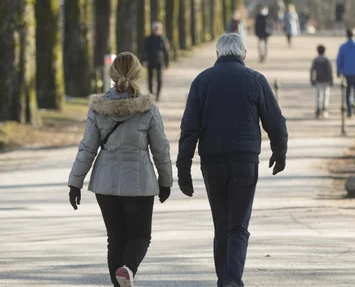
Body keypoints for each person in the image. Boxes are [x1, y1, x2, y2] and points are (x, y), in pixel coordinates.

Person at [177, 33, 288, 287]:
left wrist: (183, 168)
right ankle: (231, 281)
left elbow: (189, 128)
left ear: (217, 54)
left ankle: (224, 280)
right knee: (238, 225)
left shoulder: (202, 81)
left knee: (221, 224)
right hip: (244, 160)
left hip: (213, 161)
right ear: (244, 54)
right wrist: (279, 153)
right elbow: (276, 122)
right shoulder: (255, 80)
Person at [68, 52, 173, 287]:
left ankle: (120, 281)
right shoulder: (148, 109)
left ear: (112, 74)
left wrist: (75, 182)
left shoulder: (98, 108)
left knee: (115, 239)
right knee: (140, 237)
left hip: (105, 184)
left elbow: (87, 148)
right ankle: (128, 269)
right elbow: (161, 149)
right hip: (139, 185)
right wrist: (166, 180)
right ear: (138, 73)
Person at [141, 22, 170, 101]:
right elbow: (144, 50)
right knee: (150, 79)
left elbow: (166, 51)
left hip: (160, 62)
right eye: (155, 29)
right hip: (150, 61)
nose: (156, 30)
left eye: (158, 29)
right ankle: (151, 93)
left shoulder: (163, 39)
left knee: (159, 79)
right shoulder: (149, 39)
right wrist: (143, 60)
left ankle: (158, 95)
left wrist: (167, 62)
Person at [310, 45, 334, 118]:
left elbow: (312, 70)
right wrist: (331, 79)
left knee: (318, 95)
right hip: (326, 80)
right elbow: (330, 71)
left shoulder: (316, 60)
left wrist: (312, 79)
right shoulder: (327, 60)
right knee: (326, 95)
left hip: (318, 79)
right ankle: (324, 109)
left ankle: (318, 109)